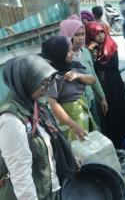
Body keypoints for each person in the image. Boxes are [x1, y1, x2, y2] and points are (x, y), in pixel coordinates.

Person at [0, 55, 78, 199]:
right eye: (42, 83)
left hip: (53, 187)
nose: (45, 89)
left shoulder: (34, 104)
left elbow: (51, 141)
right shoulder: (11, 120)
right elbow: (21, 175)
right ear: (25, 81)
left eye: (48, 83)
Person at [85, 21, 125, 148]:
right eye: (96, 34)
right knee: (107, 112)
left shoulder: (111, 45)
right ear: (90, 35)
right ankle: (113, 141)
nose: (100, 36)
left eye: (102, 32)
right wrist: (91, 54)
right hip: (100, 86)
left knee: (119, 107)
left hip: (114, 83)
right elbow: (89, 69)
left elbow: (113, 65)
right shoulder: (87, 50)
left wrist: (97, 62)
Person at [42, 36, 97, 141]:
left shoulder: (74, 66)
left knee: (88, 143)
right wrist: (72, 125)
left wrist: (79, 75)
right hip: (69, 117)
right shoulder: (52, 76)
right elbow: (53, 104)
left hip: (84, 109)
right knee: (78, 147)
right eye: (68, 51)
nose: (72, 53)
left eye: (72, 49)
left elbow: (92, 80)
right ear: (58, 53)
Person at [60, 17, 108, 129]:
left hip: (90, 100)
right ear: (67, 35)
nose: (81, 38)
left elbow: (93, 76)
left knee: (95, 131)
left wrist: (102, 97)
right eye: (77, 35)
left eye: (83, 34)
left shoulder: (85, 52)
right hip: (74, 106)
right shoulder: (62, 56)